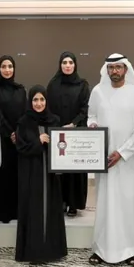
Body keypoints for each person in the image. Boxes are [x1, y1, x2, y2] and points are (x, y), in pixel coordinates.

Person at [87, 53, 134, 266]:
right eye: (111, 67)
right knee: (104, 204)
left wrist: (122, 153)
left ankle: (130, 250)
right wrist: (92, 127)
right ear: (106, 70)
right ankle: (100, 249)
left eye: (118, 67)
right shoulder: (98, 91)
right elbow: (91, 116)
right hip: (104, 159)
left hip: (128, 160)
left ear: (125, 69)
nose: (114, 71)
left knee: (128, 204)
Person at [15, 85, 68, 263]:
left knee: (51, 208)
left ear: (47, 100)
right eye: (35, 100)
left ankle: (52, 251)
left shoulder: (54, 120)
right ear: (30, 102)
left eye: (42, 99)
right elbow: (21, 147)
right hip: (32, 173)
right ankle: (34, 251)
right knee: (34, 208)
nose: (39, 103)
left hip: (51, 174)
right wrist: (38, 141)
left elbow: (62, 145)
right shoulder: (23, 122)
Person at [46, 51, 90, 217]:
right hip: (58, 133)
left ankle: (73, 203)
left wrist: (73, 124)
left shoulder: (82, 85)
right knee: (60, 168)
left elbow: (85, 108)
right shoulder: (53, 84)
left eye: (70, 62)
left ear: (75, 65)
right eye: (64, 62)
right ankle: (61, 201)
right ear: (60, 65)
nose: (67, 65)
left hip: (76, 132)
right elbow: (48, 108)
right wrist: (57, 126)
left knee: (75, 170)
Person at [0, 55, 27, 223]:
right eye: (4, 66)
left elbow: (25, 113)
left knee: (16, 175)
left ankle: (15, 211)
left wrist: (18, 132)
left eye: (10, 66)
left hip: (18, 139)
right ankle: (2, 213)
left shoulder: (20, 89)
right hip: (0, 139)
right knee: (1, 175)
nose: (7, 70)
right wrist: (9, 132)